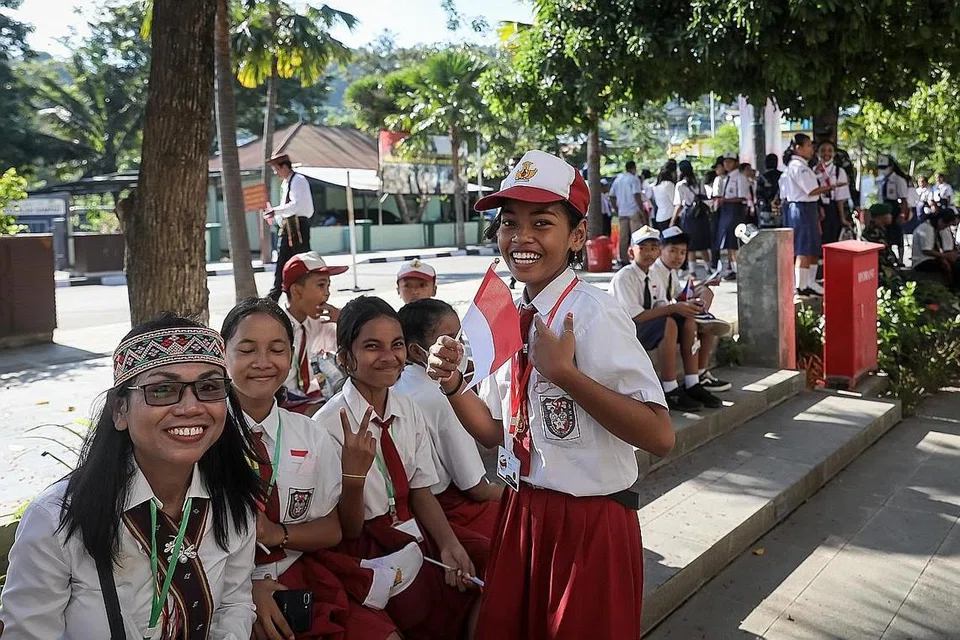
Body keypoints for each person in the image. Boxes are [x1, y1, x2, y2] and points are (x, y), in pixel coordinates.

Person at [428, 149, 675, 640]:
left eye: (541, 222)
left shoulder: (591, 314)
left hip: (589, 522)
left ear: (577, 237)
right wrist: (453, 385)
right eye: (509, 223)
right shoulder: (513, 316)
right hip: (525, 512)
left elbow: (660, 435)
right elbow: (499, 431)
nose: (521, 237)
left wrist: (567, 375)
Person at [0, 314, 262, 638]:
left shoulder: (233, 502)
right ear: (119, 410)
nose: (191, 407)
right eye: (163, 389)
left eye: (209, 387)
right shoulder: (56, 521)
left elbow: (234, 604)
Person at [221, 298, 411, 640]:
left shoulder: (309, 433)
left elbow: (332, 529)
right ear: (224, 355)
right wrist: (248, 589)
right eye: (247, 350)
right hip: (228, 590)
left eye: (277, 349)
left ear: (292, 355)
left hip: (302, 573)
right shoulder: (208, 435)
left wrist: (278, 534)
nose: (263, 363)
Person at [315, 296, 481, 639]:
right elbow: (348, 530)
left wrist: (449, 544)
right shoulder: (327, 427)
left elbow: (420, 489)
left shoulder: (407, 409)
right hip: (364, 547)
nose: (389, 357)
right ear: (346, 358)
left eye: (397, 345)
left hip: (412, 529)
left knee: (495, 574)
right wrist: (354, 477)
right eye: (372, 347)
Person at [395, 298, 502, 570]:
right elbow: (477, 489)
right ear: (417, 352)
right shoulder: (442, 397)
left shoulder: (398, 385)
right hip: (450, 509)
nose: (459, 347)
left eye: (459, 336)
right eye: (449, 339)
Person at [610, 225, 707, 411]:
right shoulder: (625, 277)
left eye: (654, 248)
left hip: (646, 326)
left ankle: (693, 382)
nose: (649, 253)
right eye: (643, 248)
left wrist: (683, 307)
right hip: (626, 331)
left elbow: (660, 305)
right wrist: (674, 308)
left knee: (688, 319)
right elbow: (636, 317)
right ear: (631, 252)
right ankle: (670, 388)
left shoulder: (653, 276)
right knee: (668, 322)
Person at [651, 226, 731, 397]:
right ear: (660, 250)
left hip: (669, 315)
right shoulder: (653, 271)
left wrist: (703, 285)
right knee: (691, 321)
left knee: (706, 300)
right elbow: (660, 306)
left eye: (682, 252)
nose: (678, 257)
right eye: (672, 251)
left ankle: (700, 374)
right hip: (657, 322)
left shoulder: (670, 271)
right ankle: (686, 383)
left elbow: (679, 294)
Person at [281, 252, 347, 414]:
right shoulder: (276, 327)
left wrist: (343, 320)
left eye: (328, 286)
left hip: (313, 396)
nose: (327, 293)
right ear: (297, 291)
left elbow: (350, 346)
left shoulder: (321, 323)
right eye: (321, 285)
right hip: (282, 401)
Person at [782, 134, 842, 296]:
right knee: (804, 247)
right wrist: (832, 186)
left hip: (809, 208)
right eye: (808, 146)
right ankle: (801, 285)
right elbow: (811, 190)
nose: (811, 149)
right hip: (801, 208)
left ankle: (810, 281)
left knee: (813, 247)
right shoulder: (797, 167)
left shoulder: (803, 166)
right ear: (798, 148)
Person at [266, 153, 315, 301]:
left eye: (277, 169)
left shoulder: (298, 180)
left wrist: (276, 211)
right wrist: (277, 216)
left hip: (298, 225)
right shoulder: (286, 183)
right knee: (283, 261)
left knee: (301, 260)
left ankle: (303, 292)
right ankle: (277, 293)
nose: (276, 173)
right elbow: (287, 207)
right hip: (288, 225)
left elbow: (296, 205)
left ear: (285, 166)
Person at [673, 159, 712, 276]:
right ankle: (708, 268)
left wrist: (672, 220)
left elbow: (679, 205)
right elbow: (705, 197)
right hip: (701, 216)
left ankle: (692, 271)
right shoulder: (699, 182)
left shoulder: (680, 185)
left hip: (689, 217)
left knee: (690, 245)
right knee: (703, 244)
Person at [716, 153, 748, 280]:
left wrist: (726, 200)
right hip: (726, 210)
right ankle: (732, 268)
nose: (727, 165)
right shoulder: (726, 178)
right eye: (725, 162)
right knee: (728, 240)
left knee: (735, 240)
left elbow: (742, 197)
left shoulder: (740, 177)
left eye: (730, 162)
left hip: (735, 210)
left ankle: (738, 268)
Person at [815, 140, 853, 245]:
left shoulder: (839, 171)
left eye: (829, 151)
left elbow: (840, 198)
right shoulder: (812, 171)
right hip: (815, 210)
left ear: (834, 154)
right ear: (817, 153)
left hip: (832, 209)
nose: (826, 154)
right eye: (822, 151)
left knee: (832, 240)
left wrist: (842, 218)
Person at [609, 160, 646, 265]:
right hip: (633, 211)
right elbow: (637, 196)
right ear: (633, 168)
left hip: (622, 211)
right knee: (636, 236)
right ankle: (636, 257)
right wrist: (642, 211)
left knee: (623, 237)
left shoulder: (618, 180)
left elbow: (611, 196)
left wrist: (616, 209)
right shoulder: (634, 179)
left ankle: (623, 258)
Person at [876, 154, 912, 261]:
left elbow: (904, 200)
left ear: (891, 166)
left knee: (897, 234)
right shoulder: (881, 180)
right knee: (886, 235)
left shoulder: (898, 180)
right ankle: (890, 258)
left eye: (885, 167)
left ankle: (901, 259)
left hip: (895, 208)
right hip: (884, 208)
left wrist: (902, 214)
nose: (883, 170)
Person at [913, 210, 960, 288]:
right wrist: (945, 256)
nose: (944, 228)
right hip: (922, 260)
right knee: (954, 267)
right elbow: (926, 250)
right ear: (941, 221)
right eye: (945, 225)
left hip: (932, 258)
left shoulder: (932, 228)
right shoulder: (926, 228)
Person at [861, 203, 902, 289]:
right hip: (879, 271)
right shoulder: (875, 232)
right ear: (881, 216)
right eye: (888, 214)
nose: (891, 216)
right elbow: (885, 256)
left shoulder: (878, 229)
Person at [652, 165, 677, 231]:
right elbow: (674, 201)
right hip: (669, 215)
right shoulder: (668, 184)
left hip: (659, 216)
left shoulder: (656, 187)